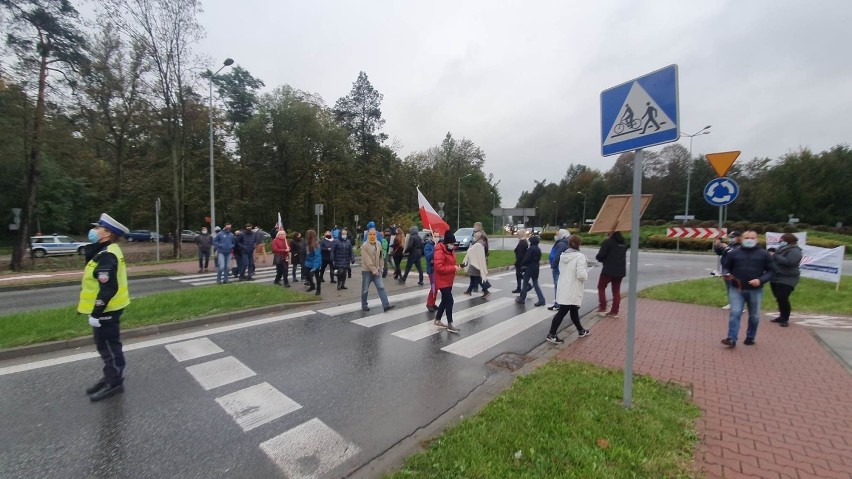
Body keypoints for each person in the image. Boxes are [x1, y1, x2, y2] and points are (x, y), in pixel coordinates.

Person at [79, 213, 131, 401]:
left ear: (107, 233)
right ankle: (110, 376)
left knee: (109, 347)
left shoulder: (108, 254)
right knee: (105, 346)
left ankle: (115, 382)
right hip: (107, 309)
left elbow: (108, 287)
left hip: (107, 310)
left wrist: (96, 312)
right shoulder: (106, 250)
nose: (94, 230)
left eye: (98, 228)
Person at [720, 230, 775, 347]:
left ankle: (750, 337)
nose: (749, 240)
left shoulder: (763, 254)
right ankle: (731, 338)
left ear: (757, 240)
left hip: (755, 290)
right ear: (742, 239)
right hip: (737, 288)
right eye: (747, 238)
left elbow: (771, 271)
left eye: (752, 238)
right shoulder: (733, 253)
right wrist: (727, 274)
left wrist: (760, 280)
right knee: (735, 312)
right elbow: (725, 267)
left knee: (754, 315)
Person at [546, 235, 591, 344]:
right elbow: (581, 275)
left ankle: (581, 330)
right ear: (579, 244)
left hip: (565, 286)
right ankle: (551, 334)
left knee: (573, 310)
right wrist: (586, 275)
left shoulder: (564, 255)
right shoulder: (580, 256)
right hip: (573, 287)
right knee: (562, 312)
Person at [769, 233, 803, 328]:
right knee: (778, 297)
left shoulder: (795, 251)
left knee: (783, 297)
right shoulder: (781, 249)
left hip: (788, 278)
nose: (780, 241)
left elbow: (789, 262)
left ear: (788, 240)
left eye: (782, 240)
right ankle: (781, 315)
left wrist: (775, 256)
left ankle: (785, 318)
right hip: (776, 276)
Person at [433, 231, 462, 333]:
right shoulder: (439, 251)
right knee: (450, 301)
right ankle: (450, 323)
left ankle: (437, 319)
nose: (453, 246)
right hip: (442, 280)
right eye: (452, 244)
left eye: (454, 244)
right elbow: (439, 268)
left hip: (448, 280)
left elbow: (451, 263)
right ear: (446, 243)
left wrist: (457, 267)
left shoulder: (450, 250)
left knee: (445, 300)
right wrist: (453, 268)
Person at [360, 228, 394, 312]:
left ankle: (386, 305)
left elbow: (380, 256)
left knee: (381, 287)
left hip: (377, 270)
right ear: (368, 235)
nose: (372, 236)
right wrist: (373, 270)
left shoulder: (378, 244)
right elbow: (367, 260)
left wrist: (381, 267)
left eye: (374, 234)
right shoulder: (364, 246)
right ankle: (364, 304)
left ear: (376, 235)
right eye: (370, 234)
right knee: (365, 289)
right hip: (367, 271)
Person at [595, 231, 628, 318]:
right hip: (620, 271)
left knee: (601, 287)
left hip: (608, 270)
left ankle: (602, 308)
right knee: (616, 291)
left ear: (611, 234)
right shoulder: (623, 244)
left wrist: (601, 259)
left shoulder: (607, 242)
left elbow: (600, 255)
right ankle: (614, 311)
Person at [714, 231, 742, 309]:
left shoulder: (740, 246)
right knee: (729, 287)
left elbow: (734, 254)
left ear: (738, 237)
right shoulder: (730, 245)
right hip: (726, 269)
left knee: (735, 288)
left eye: (732, 237)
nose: (731, 239)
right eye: (730, 237)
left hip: (735, 270)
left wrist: (727, 248)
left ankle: (739, 305)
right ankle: (731, 303)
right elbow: (720, 252)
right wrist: (718, 245)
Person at [516, 234, 546, 306]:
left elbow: (526, 259)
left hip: (529, 268)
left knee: (525, 283)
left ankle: (522, 298)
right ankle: (542, 299)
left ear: (532, 242)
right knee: (536, 284)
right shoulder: (538, 249)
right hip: (536, 268)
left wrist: (521, 264)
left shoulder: (531, 249)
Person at [462, 231, 490, 298]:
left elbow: (470, 251)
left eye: (474, 236)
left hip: (475, 263)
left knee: (477, 278)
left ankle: (486, 290)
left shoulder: (478, 244)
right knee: (473, 277)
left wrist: (470, 248)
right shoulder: (481, 242)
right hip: (476, 263)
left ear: (477, 237)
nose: (473, 238)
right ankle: (469, 290)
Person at [548, 229, 571, 310]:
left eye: (557, 234)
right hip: (560, 267)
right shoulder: (564, 242)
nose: (556, 236)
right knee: (560, 286)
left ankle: (559, 304)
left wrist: (553, 265)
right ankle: (560, 303)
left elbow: (558, 256)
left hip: (558, 268)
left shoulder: (561, 243)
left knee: (558, 286)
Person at [303, 229, 322, 295]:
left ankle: (318, 290)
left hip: (315, 262)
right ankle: (312, 285)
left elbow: (317, 256)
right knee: (306, 274)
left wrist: (315, 267)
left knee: (317, 276)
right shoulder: (306, 243)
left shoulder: (316, 244)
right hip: (308, 262)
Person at [423, 231, 437, 312]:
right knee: (433, 287)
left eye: (438, 236)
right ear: (432, 237)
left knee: (437, 287)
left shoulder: (438, 245)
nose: (436, 238)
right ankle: (429, 303)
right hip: (431, 269)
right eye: (435, 236)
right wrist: (434, 249)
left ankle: (433, 302)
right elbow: (428, 257)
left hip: (437, 269)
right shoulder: (428, 246)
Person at [512, 229, 529, 293]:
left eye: (518, 234)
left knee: (519, 275)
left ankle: (523, 287)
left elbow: (520, 254)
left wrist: (516, 263)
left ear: (521, 235)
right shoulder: (523, 242)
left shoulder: (522, 243)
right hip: (521, 261)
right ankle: (520, 287)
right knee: (520, 275)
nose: (517, 236)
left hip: (520, 262)